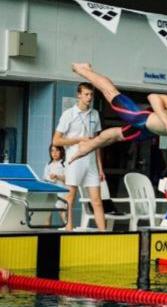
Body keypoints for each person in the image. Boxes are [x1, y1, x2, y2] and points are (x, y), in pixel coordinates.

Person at [52, 82, 106, 231]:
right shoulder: (68, 114)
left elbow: (97, 143)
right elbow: (56, 140)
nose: (89, 98)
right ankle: (69, 229)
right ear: (79, 95)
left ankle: (104, 234)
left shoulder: (94, 114)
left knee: (97, 200)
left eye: (91, 95)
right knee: (70, 198)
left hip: (91, 163)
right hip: (74, 159)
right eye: (86, 94)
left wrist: (100, 168)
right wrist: (79, 139)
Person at [44, 145, 68, 224]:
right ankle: (47, 231)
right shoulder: (48, 164)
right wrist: (49, 178)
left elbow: (68, 179)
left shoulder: (64, 163)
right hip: (51, 191)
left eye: (57, 150)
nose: (54, 153)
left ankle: (67, 228)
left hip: (61, 191)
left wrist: (57, 176)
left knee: (62, 212)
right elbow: (45, 178)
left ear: (61, 151)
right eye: (52, 151)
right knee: (47, 212)